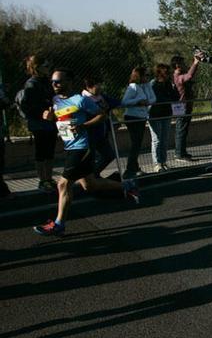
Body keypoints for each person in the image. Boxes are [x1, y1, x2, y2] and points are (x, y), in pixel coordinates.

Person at [33, 69, 138, 236]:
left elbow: (102, 115)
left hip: (82, 147)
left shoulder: (80, 100)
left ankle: (59, 224)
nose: (54, 85)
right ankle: (127, 185)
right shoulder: (55, 100)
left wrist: (83, 126)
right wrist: (51, 118)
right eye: (53, 81)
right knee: (89, 185)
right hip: (70, 147)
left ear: (69, 82)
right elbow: (60, 120)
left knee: (62, 184)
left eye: (58, 81)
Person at [20, 54, 57, 192]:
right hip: (39, 123)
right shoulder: (32, 83)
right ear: (37, 68)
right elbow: (28, 106)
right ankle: (43, 180)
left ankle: (49, 177)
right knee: (41, 151)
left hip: (50, 121)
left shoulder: (47, 81)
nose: (48, 68)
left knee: (50, 151)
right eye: (45, 66)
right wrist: (43, 112)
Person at [80, 75, 119, 177]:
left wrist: (108, 105)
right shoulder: (84, 99)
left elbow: (115, 102)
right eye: (97, 85)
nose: (99, 87)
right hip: (91, 133)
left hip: (102, 132)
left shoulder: (101, 97)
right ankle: (90, 177)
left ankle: (95, 174)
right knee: (90, 157)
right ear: (89, 87)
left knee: (109, 155)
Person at [120, 67, 156, 179]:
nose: (147, 77)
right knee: (136, 143)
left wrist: (146, 101)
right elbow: (124, 102)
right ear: (139, 76)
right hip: (132, 117)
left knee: (137, 143)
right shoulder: (133, 87)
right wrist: (138, 101)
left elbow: (153, 99)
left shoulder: (146, 86)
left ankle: (135, 168)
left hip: (141, 116)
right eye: (145, 75)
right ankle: (129, 170)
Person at [171, 54, 200, 161]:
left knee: (183, 128)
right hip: (180, 106)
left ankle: (182, 151)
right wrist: (195, 63)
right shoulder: (178, 76)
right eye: (182, 63)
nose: (184, 65)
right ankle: (179, 153)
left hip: (184, 105)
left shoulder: (179, 75)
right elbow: (189, 76)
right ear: (178, 65)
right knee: (181, 129)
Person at [149, 63, 176, 172]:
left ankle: (163, 161)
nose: (168, 74)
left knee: (164, 139)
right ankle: (157, 163)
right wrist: (166, 98)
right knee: (157, 140)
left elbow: (174, 96)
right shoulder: (153, 84)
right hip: (155, 114)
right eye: (166, 72)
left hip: (166, 113)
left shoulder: (168, 84)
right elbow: (155, 99)